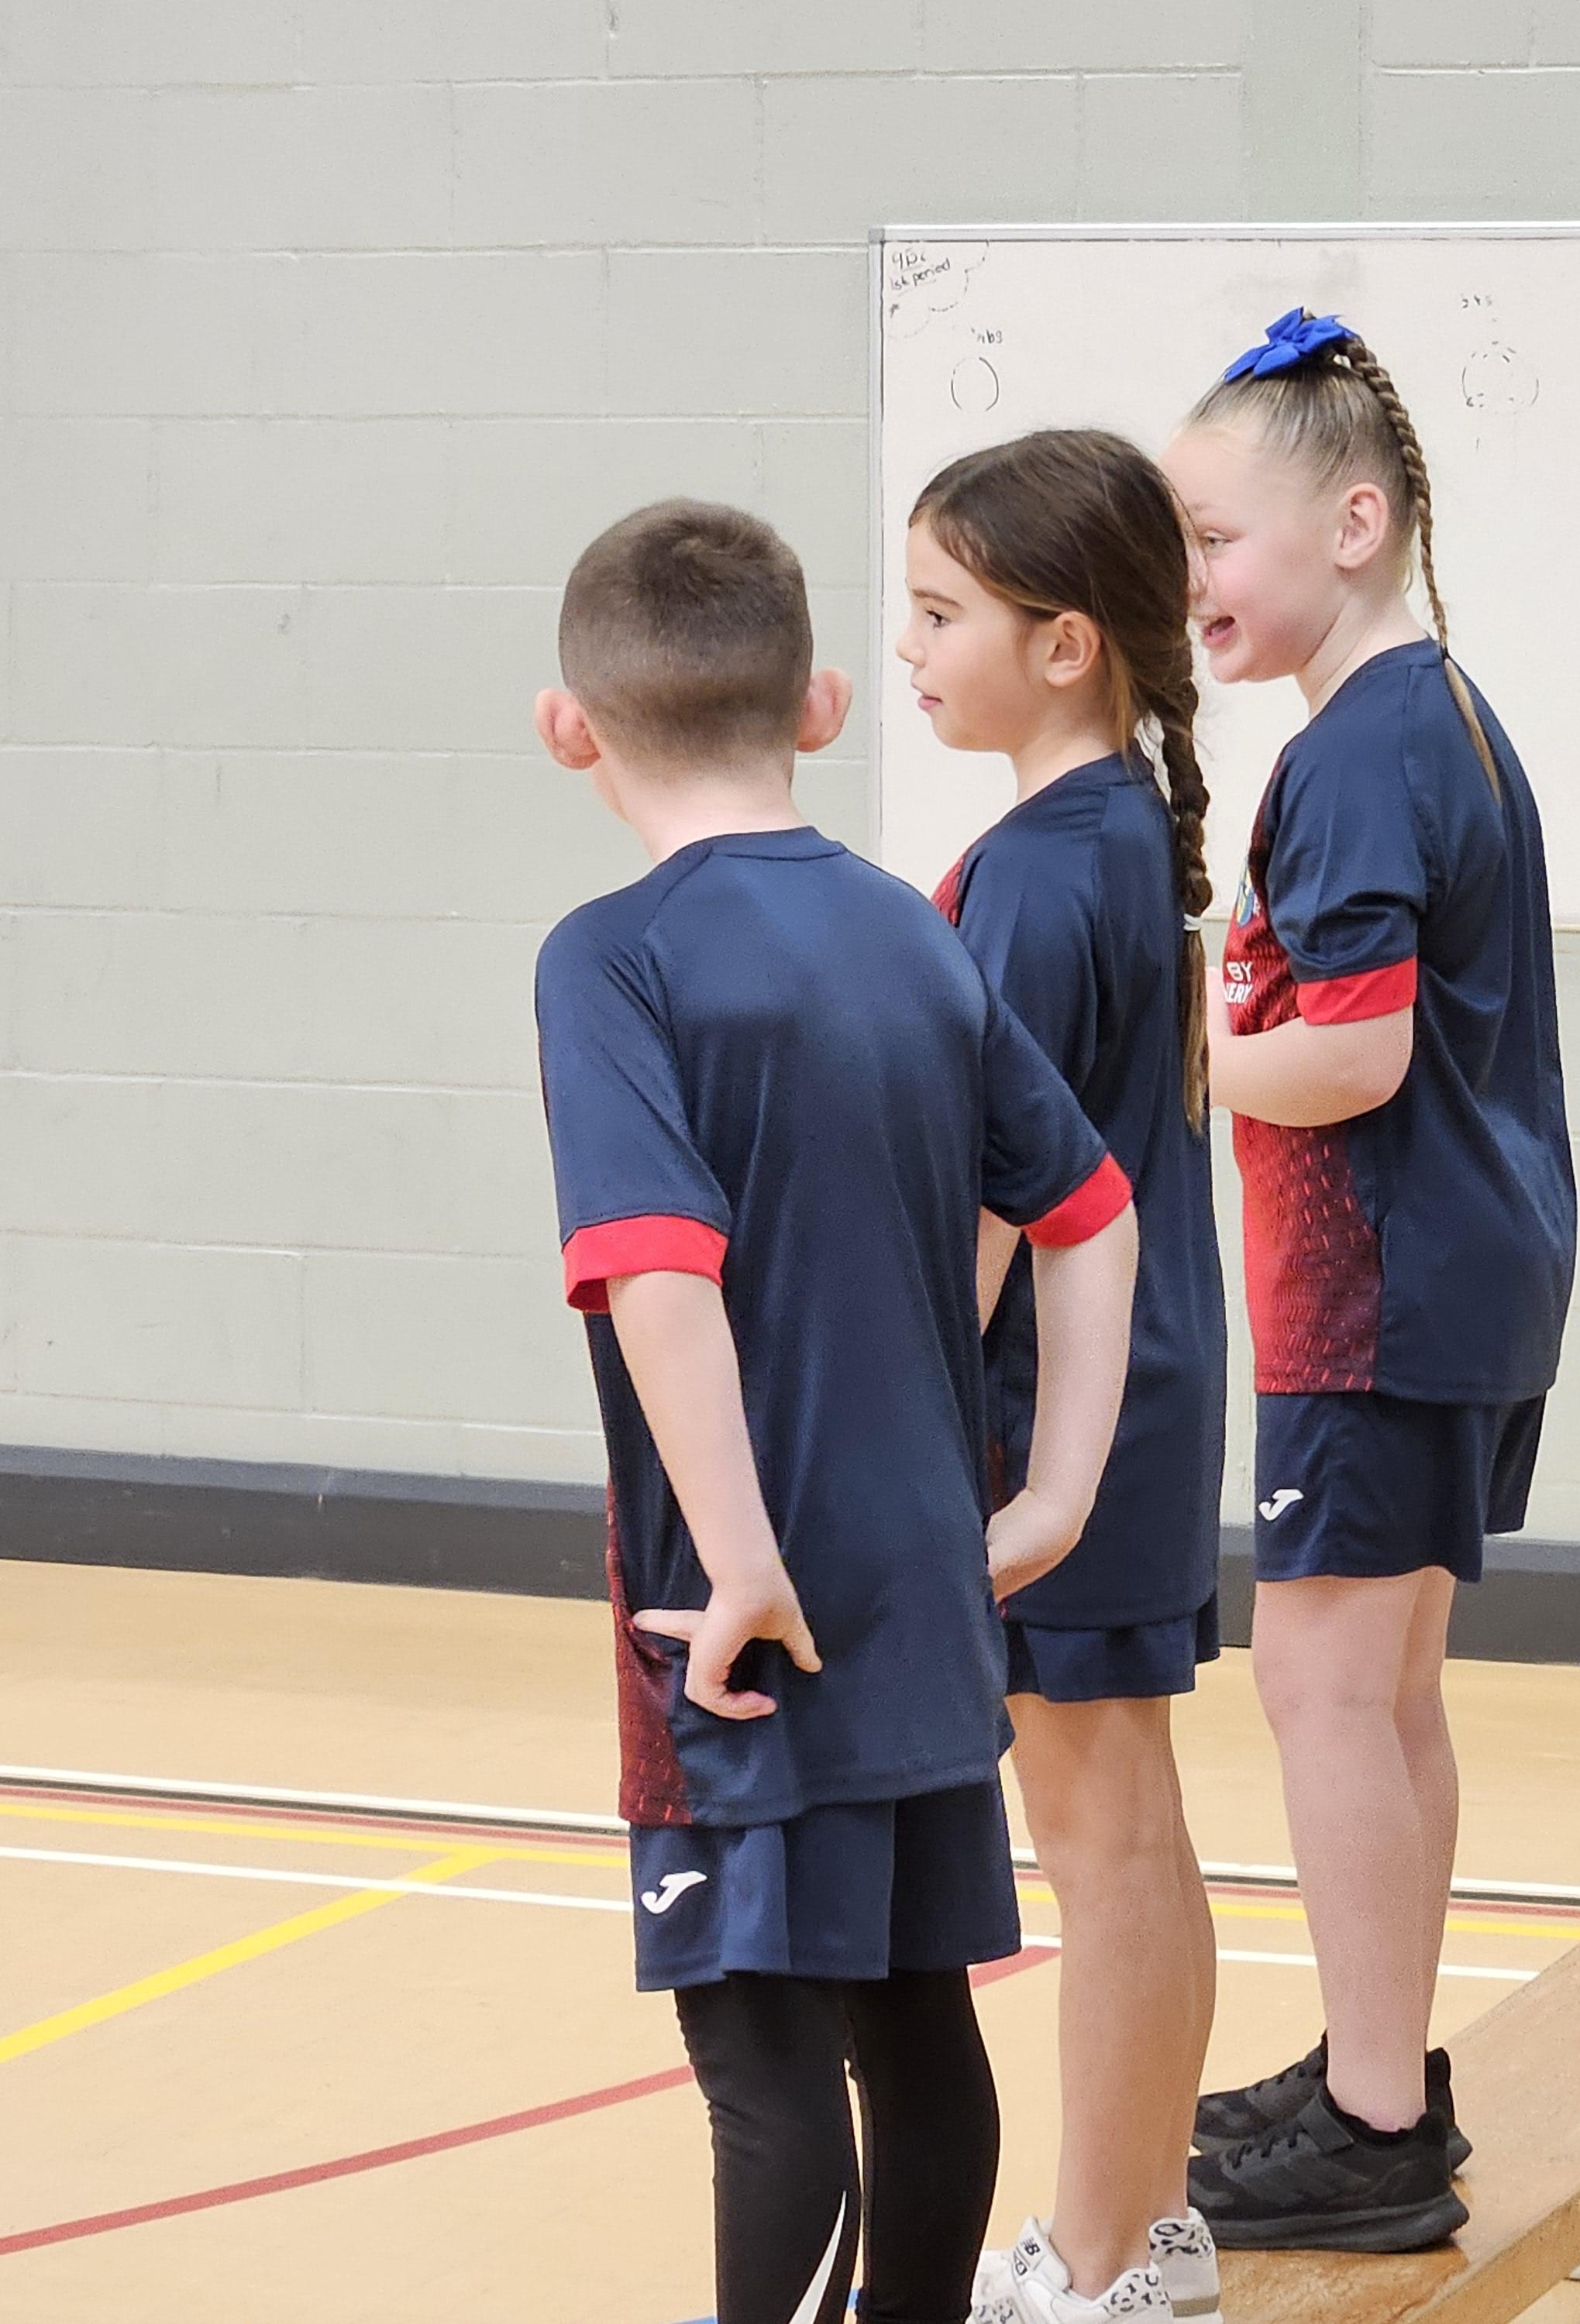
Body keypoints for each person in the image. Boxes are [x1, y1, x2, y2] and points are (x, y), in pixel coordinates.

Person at [530, 499, 1143, 2324]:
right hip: (922, 1574)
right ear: (817, 705)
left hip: (748, 1614)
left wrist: (735, 1565)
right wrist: (1051, 1499)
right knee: (915, 2032)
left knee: (766, 2075)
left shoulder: (608, 957)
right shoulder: (914, 930)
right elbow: (1089, 1210)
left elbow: (658, 1271)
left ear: (568, 728)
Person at [1161, 311, 1577, 2253]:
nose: (1187, 582)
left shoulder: (1358, 750)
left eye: (1209, 541)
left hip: (1381, 1292)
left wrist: (1172, 1055)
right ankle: (1374, 2070)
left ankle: (1374, 2128)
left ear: (1350, 524)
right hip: (1464, 1279)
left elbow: (1350, 1052)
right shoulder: (1437, 716)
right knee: (1387, 1688)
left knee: (1319, 1686)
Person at [898, 428, 1229, 2324]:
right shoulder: (1101, 840)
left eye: (943, 611)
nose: (913, 646)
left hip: (1059, 1416)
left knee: (1098, 1847)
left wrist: (903, 1406)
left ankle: (1098, 2263)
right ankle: (1147, 2231)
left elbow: (991, 1198)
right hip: (1146, 1392)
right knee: (1136, 1831)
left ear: (1065, 644)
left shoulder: (1044, 871)